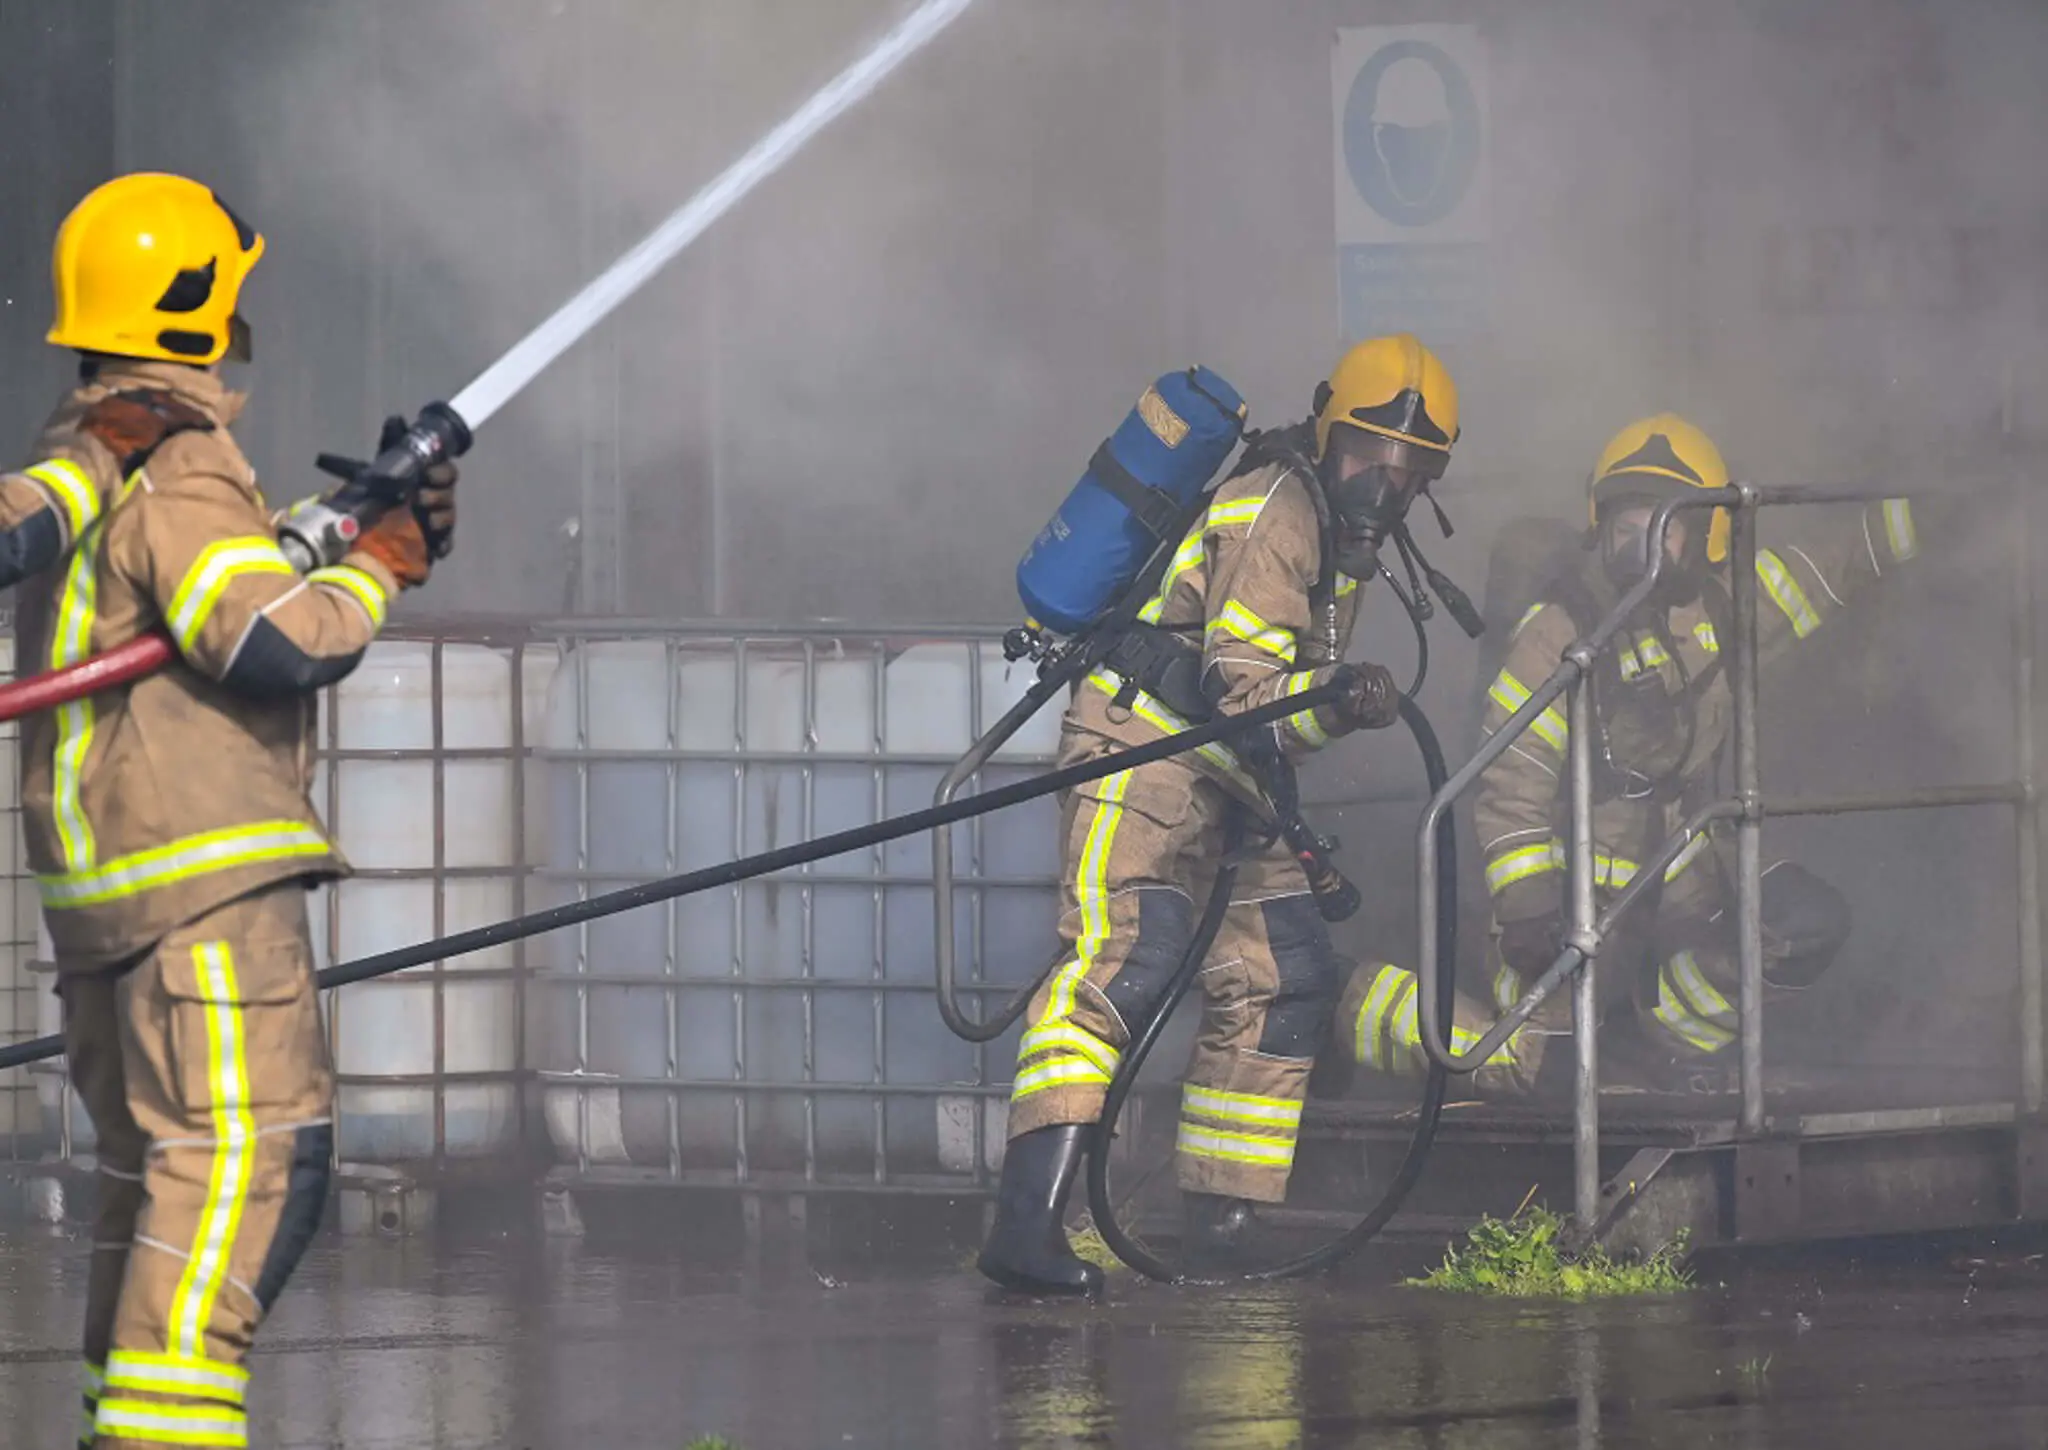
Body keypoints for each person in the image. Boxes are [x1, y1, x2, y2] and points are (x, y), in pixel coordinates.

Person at [6, 172, 457, 1450]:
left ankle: (124, 1428)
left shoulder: (97, 458)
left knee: (152, 1188)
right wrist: (379, 569)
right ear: (200, 309)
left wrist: (342, 526)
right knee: (247, 1176)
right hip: (203, 894)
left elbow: (213, 585)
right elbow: (269, 640)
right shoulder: (181, 462)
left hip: (114, 904)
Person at [978, 334, 1462, 1293]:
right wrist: (1333, 694)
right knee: (1127, 956)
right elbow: (1247, 686)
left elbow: (1273, 720)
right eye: (1371, 454)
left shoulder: (1340, 540)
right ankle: (1025, 1230)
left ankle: (1222, 1222)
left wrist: (1322, 705)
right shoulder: (1276, 508)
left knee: (1286, 973)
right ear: (1330, 435)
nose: (1386, 483)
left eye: (1411, 470)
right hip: (1139, 751)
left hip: (1233, 777)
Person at [1340, 413, 1918, 1095]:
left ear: (1708, 533)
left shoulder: (1725, 608)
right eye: (1624, 527)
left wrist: (1928, 513)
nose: (1638, 547)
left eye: (1661, 527)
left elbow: (1826, 570)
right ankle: (1352, 1003)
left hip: (1678, 872)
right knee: (1554, 1072)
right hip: (1566, 896)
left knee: (1800, 929)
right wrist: (1527, 907)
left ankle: (1648, 1036)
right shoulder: (1561, 631)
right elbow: (1512, 776)